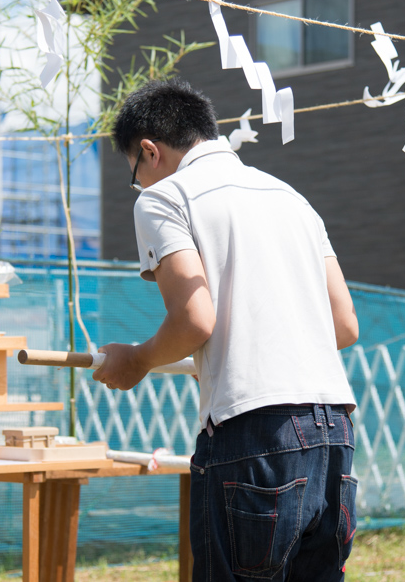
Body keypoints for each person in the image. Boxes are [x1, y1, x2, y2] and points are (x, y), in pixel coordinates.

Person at [92, 78, 360, 581]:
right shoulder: (292, 198)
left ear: (149, 150)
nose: (140, 186)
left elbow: (195, 320)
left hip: (252, 435)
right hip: (334, 434)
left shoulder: (165, 198)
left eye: (135, 174)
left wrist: (138, 360)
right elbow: (343, 325)